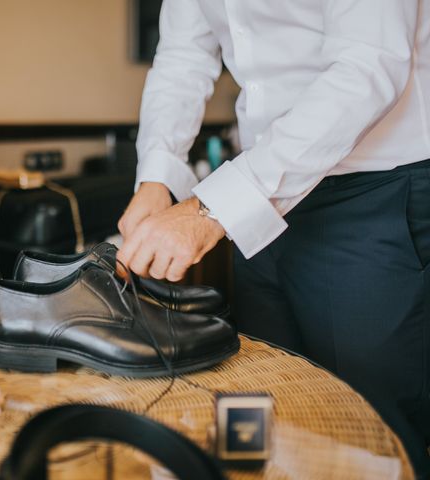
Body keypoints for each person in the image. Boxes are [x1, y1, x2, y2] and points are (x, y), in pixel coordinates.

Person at [116, 0, 430, 476]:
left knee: (370, 434)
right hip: (257, 195)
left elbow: (369, 63)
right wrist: (156, 180)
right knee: (262, 410)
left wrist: (210, 208)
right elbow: (183, 55)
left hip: (372, 190)